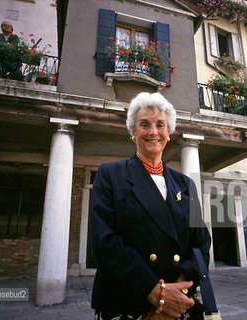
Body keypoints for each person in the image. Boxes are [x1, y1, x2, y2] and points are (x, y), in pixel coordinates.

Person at [91, 92, 211, 320]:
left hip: (178, 306)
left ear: (169, 133)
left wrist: (178, 292)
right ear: (133, 131)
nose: (153, 132)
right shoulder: (110, 175)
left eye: (160, 125)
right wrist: (156, 293)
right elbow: (105, 242)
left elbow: (201, 242)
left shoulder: (185, 184)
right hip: (129, 304)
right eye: (144, 124)